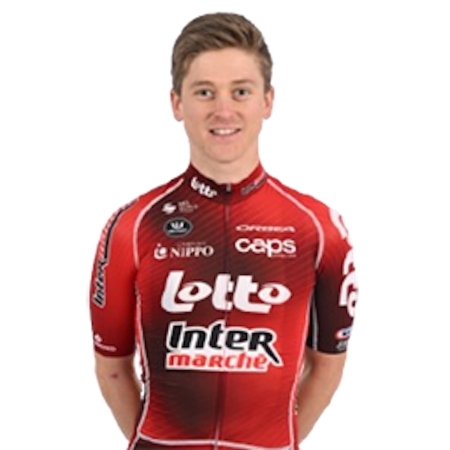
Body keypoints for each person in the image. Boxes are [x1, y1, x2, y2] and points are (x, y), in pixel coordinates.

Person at [90, 12, 357, 450]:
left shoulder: (319, 228)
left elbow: (328, 365)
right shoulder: (133, 226)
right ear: (176, 103)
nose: (223, 110)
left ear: (268, 101)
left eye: (241, 91)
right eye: (204, 92)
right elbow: (112, 368)